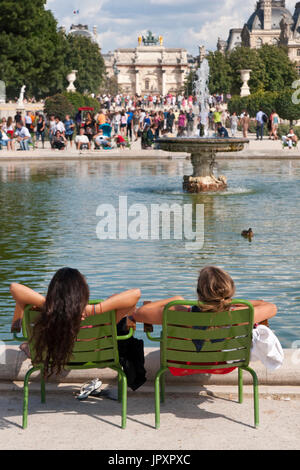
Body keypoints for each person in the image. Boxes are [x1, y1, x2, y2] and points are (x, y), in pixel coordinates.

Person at [133, 266, 277, 376]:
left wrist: (175, 299)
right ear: (230, 290)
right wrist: (231, 302)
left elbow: (140, 314)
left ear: (198, 292)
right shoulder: (240, 313)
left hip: (180, 365)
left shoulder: (177, 311)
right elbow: (271, 307)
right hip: (224, 366)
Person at [10, 267, 141, 376]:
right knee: (114, 303)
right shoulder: (100, 317)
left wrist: (53, 306)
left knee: (30, 343)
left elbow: (15, 287)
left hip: (52, 358)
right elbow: (135, 294)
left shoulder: (47, 314)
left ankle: (26, 347)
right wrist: (93, 310)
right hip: (95, 358)